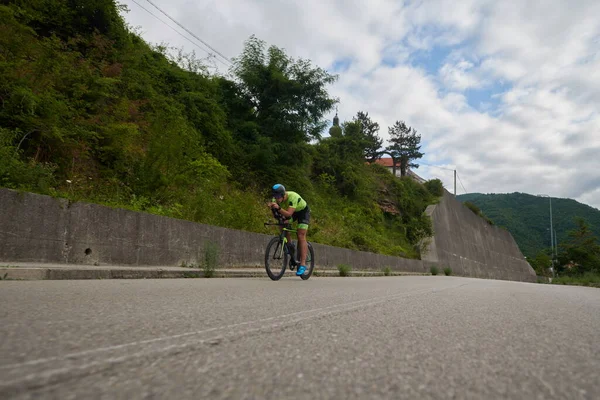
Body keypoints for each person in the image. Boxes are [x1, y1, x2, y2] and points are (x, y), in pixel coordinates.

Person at [267, 184, 310, 276]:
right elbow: (278, 215)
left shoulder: (292, 197)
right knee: (282, 224)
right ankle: (290, 246)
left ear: (283, 195)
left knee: (300, 235)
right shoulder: (275, 199)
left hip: (302, 212)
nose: (276, 199)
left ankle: (302, 264)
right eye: (275, 196)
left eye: (278, 197)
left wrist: (278, 208)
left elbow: (288, 213)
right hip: (292, 213)